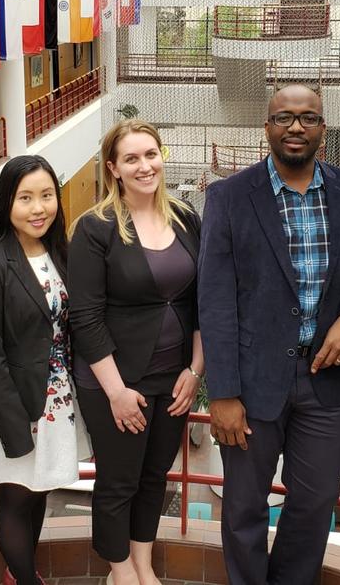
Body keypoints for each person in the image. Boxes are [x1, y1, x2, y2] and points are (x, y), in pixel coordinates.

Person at [199, 83, 340, 585]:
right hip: (253, 384)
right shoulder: (229, 197)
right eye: (283, 118)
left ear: (323, 128)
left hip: (325, 380)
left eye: (308, 118)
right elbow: (214, 301)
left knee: (314, 504)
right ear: (267, 128)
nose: (295, 127)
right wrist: (225, 393)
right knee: (243, 508)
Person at [68, 119, 203, 585]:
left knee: (154, 477)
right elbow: (84, 318)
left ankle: (144, 563)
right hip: (115, 382)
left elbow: (200, 300)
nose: (144, 166)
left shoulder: (186, 216)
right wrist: (116, 393)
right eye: (131, 158)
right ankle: (120, 570)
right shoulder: (95, 228)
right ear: (114, 169)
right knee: (119, 482)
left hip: (174, 379)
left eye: (151, 154)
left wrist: (196, 369)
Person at [0, 155, 76, 585]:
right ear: (6, 205)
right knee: (15, 500)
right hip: (11, 407)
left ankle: (20, 576)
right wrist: (15, 427)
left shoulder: (59, 253)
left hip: (56, 398)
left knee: (39, 496)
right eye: (25, 198)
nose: (38, 208)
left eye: (46, 196)